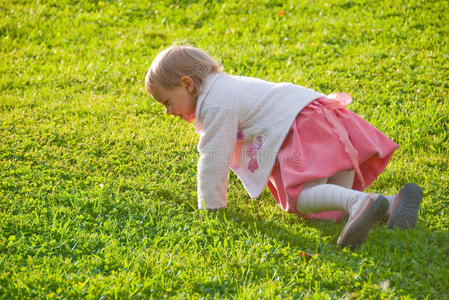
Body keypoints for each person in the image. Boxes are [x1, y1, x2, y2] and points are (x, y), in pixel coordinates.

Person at [144, 45, 423, 249]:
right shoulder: (223, 87)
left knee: (300, 197)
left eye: (167, 102)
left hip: (303, 126)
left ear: (187, 84)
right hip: (322, 119)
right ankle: (389, 203)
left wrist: (210, 208)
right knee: (328, 208)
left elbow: (213, 156)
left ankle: (362, 202)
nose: (168, 112)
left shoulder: (216, 101)